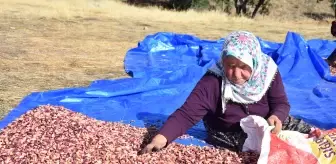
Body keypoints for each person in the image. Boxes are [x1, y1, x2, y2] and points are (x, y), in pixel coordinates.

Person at [139, 31, 316, 154]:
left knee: (309, 134)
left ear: (254, 63)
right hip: (229, 130)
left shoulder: (267, 72)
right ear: (223, 61)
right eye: (230, 66)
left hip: (267, 123)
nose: (236, 74)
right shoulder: (213, 81)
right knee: (260, 146)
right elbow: (186, 115)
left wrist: (277, 116)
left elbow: (281, 103)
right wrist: (160, 139)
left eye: (244, 67)